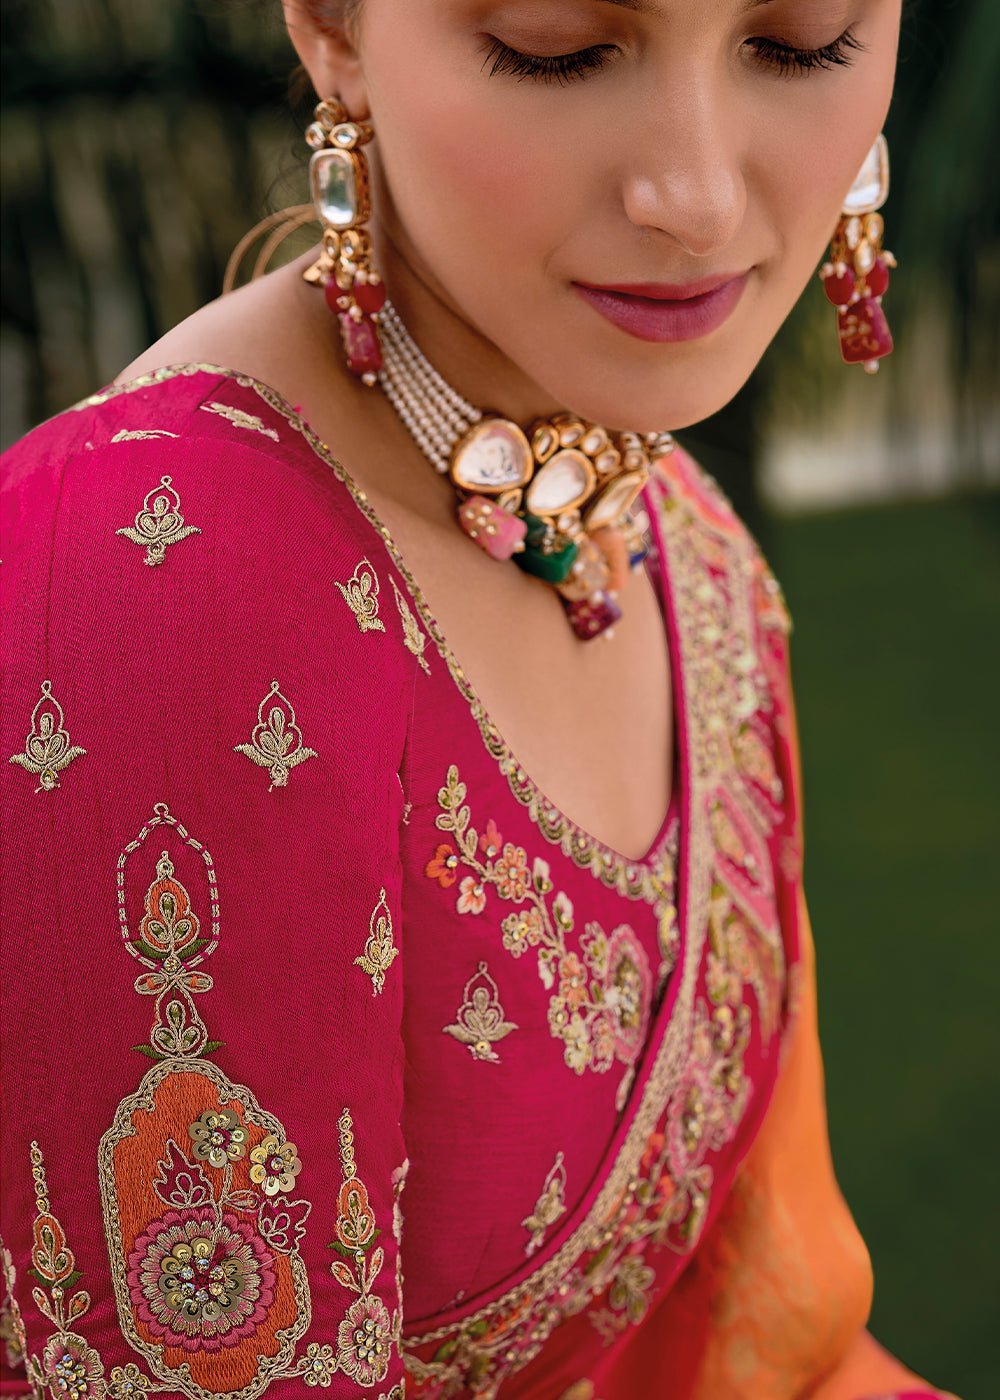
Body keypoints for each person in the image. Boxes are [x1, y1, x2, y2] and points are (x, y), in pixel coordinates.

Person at [0, 1, 955, 1396]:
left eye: (804, 44)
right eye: (556, 46)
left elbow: (778, 1345)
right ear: (332, 28)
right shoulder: (159, 588)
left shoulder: (689, 558)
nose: (691, 197)